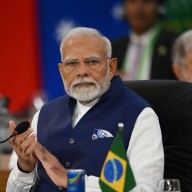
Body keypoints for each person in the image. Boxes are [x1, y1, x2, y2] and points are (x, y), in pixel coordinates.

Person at [6, 27, 164, 192]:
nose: (82, 72)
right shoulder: (44, 115)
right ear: (61, 71)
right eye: (72, 64)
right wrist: (25, 168)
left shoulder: (140, 116)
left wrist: (72, 181)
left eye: (92, 62)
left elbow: (147, 189)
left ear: (111, 67)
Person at [111, 0, 178, 80]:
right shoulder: (113, 48)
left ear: (159, 7)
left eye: (146, 1)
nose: (139, 8)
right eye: (133, 2)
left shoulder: (175, 44)